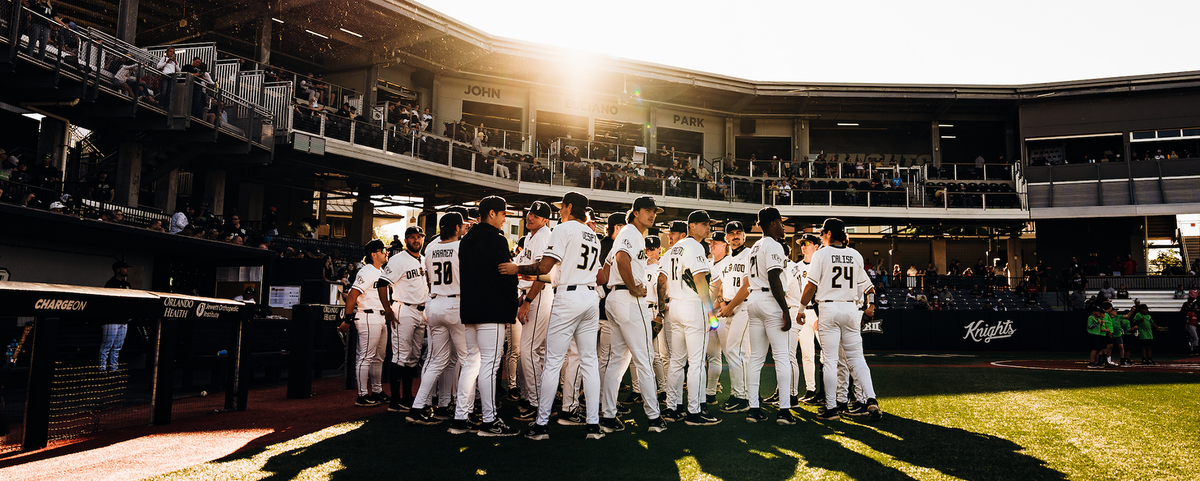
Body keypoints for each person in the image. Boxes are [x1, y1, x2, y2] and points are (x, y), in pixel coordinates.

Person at [502, 191, 605, 441]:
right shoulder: (594, 235)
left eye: (562, 207)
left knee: (552, 362)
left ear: (570, 207)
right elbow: (603, 278)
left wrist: (517, 268)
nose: (560, 211)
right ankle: (593, 425)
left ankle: (541, 425)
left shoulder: (563, 228)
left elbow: (544, 267)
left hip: (568, 297)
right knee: (589, 361)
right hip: (591, 297)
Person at [800, 217, 882, 421]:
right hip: (852, 309)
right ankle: (870, 398)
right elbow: (869, 288)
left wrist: (801, 308)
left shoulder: (821, 254)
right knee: (857, 359)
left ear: (828, 233)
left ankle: (831, 408)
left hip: (829, 307)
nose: (821, 235)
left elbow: (810, 287)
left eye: (822, 232)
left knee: (829, 360)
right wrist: (870, 306)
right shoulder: (855, 254)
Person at [597, 196, 667, 434]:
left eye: (654, 211)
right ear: (635, 212)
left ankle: (607, 417)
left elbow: (605, 271)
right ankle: (654, 417)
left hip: (615, 298)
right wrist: (633, 286)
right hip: (628, 299)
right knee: (645, 358)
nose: (652, 214)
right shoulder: (631, 232)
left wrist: (620, 285)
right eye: (647, 210)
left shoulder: (627, 234)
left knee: (618, 361)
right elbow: (620, 259)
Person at [458, 196, 521, 436]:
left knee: (471, 363)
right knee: (490, 366)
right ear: (492, 213)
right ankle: (489, 421)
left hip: (470, 309)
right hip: (490, 310)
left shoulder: (465, 240)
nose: (505, 218)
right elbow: (505, 274)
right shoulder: (496, 239)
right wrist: (509, 307)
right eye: (503, 214)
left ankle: (460, 418)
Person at [406, 213, 468, 425]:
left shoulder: (430, 247)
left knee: (436, 361)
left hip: (435, 302)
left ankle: (417, 408)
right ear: (457, 227)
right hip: (456, 303)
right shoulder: (462, 246)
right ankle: (462, 411)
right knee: (467, 360)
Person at [741, 207, 797, 425]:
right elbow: (774, 278)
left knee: (756, 357)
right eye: (781, 222)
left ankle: (753, 409)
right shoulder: (773, 245)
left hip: (754, 299)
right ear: (772, 223)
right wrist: (785, 309)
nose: (783, 226)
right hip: (770, 299)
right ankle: (784, 411)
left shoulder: (754, 246)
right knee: (781, 356)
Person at [378, 226, 428, 412]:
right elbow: (382, 283)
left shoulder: (423, 260)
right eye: (413, 237)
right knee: (400, 356)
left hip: (420, 311)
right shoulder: (398, 259)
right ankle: (395, 400)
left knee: (413, 357)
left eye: (419, 237)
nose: (417, 240)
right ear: (406, 240)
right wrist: (387, 309)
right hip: (403, 309)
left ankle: (407, 397)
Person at [513, 201, 555, 422]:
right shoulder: (530, 236)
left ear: (545, 220)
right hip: (530, 296)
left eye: (536, 216)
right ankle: (532, 397)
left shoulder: (545, 235)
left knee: (529, 351)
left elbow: (542, 274)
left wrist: (528, 300)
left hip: (539, 296)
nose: (530, 218)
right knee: (534, 353)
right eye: (530, 213)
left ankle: (537, 403)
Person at [337, 239, 391, 406]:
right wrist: (347, 318)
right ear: (373, 254)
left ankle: (377, 391)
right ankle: (361, 395)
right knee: (365, 357)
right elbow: (353, 295)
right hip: (368, 315)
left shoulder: (381, 271)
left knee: (379, 358)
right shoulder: (366, 271)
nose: (386, 253)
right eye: (383, 251)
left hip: (380, 317)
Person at [714, 221, 751, 414]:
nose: (735, 236)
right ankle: (742, 393)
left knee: (735, 351)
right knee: (736, 353)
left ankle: (742, 397)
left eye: (739, 233)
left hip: (743, 307)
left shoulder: (749, 254)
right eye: (732, 234)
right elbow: (720, 285)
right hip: (728, 307)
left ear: (744, 236)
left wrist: (729, 306)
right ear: (726, 237)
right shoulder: (726, 260)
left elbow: (747, 287)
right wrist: (721, 303)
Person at [99, 260, 133, 372]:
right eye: (124, 268)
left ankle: (114, 368)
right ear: (118, 270)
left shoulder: (127, 285)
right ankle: (102, 369)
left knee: (117, 347)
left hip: (123, 319)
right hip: (111, 319)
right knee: (107, 346)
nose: (127, 270)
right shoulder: (111, 284)